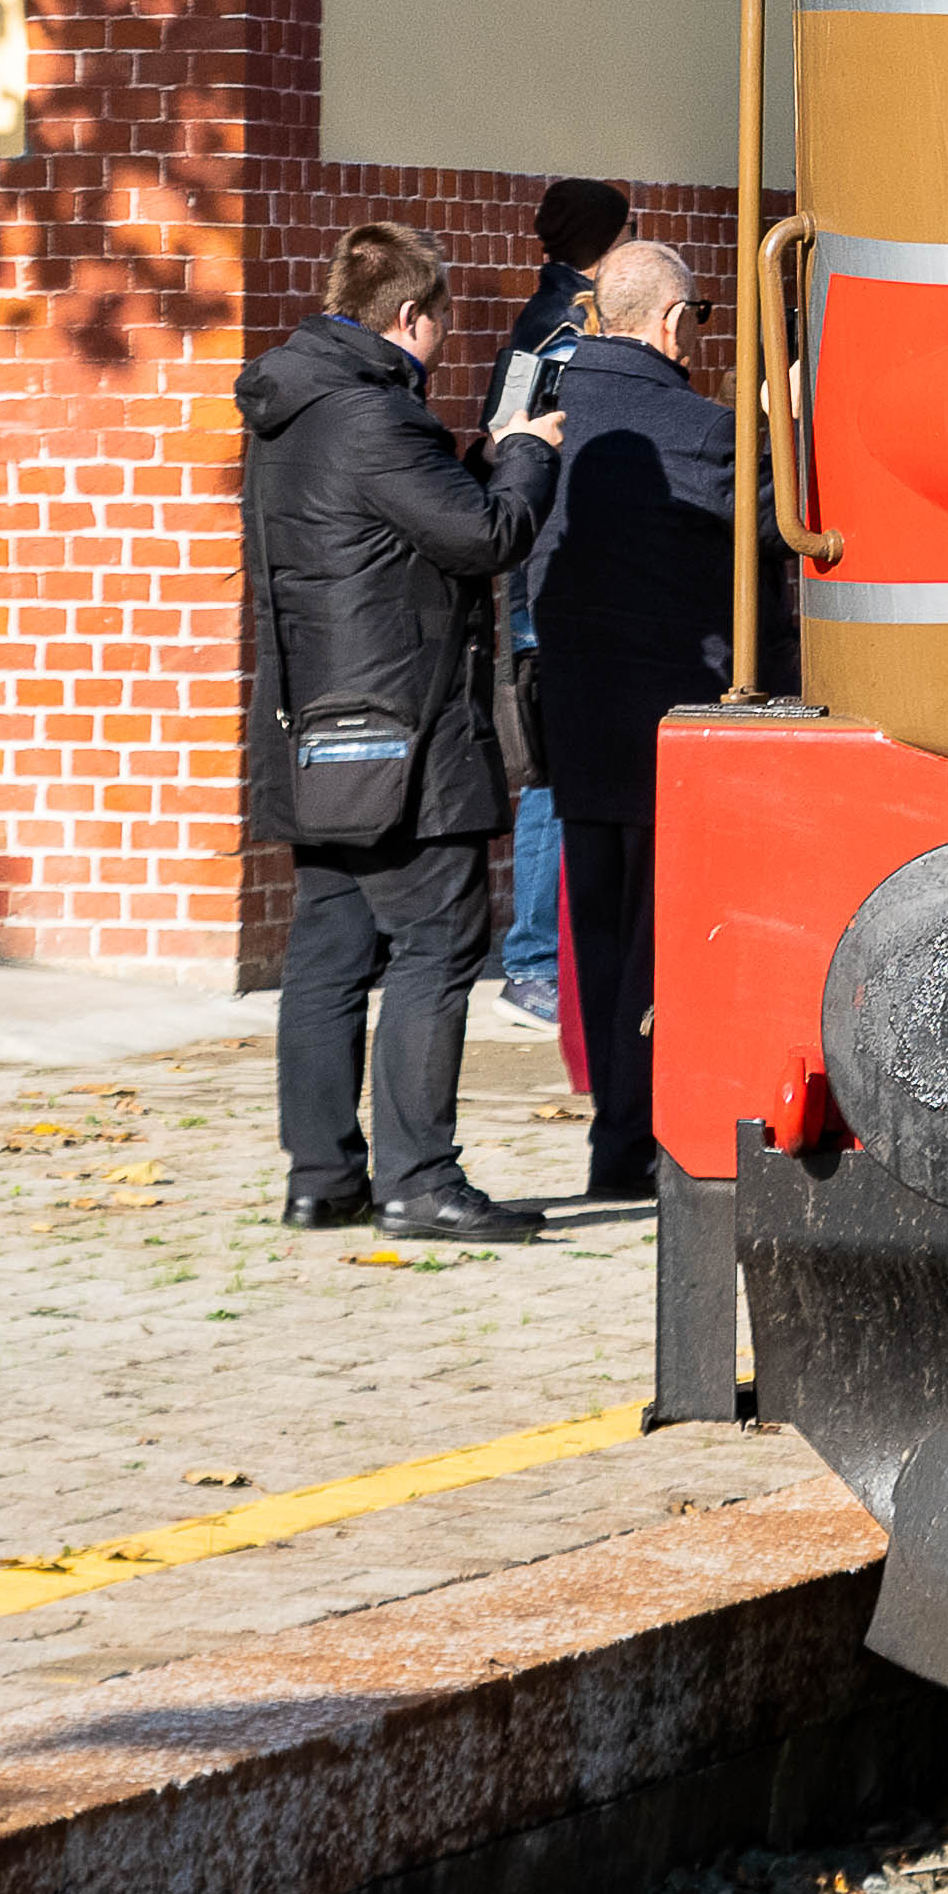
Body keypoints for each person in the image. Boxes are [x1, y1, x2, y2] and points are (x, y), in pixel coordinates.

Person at [238, 223, 544, 1248]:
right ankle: (421, 1179)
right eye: (442, 324)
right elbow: (485, 538)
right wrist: (525, 463)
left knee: (327, 951)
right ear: (412, 318)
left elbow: (384, 530)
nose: (444, 344)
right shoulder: (376, 419)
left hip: (318, 728)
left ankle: (321, 1177)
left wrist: (469, 462)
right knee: (436, 943)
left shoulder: (292, 408)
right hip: (406, 734)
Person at [491, 231, 766, 1215]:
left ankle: (613, 1140)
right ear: (674, 321)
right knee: (659, 947)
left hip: (573, 715)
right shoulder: (707, 431)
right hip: (673, 726)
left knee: (600, 936)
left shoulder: (542, 418)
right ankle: (637, 1137)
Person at [478, 176, 631, 1028]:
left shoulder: (533, 324)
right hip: (563, 570)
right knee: (555, 775)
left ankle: (544, 956)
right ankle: (534, 960)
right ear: (606, 244)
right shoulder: (576, 329)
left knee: (554, 770)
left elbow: (497, 434)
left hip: (537, 561)